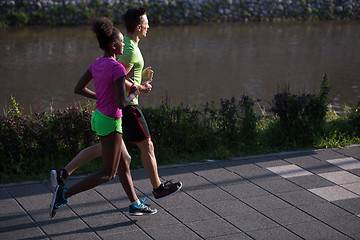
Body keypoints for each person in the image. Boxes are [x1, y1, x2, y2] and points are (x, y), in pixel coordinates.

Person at [51, 8, 182, 204]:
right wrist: (139, 88)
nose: (149, 26)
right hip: (125, 107)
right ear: (138, 27)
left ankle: (64, 173)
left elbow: (118, 74)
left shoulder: (119, 50)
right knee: (142, 148)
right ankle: (157, 189)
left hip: (107, 111)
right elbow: (118, 75)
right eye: (147, 23)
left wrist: (138, 77)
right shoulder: (127, 50)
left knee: (116, 155)